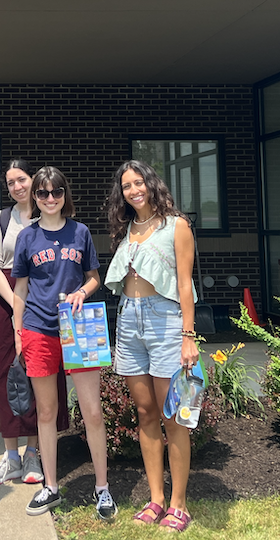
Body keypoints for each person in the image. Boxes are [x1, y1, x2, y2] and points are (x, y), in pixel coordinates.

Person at [12, 166, 115, 520]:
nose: (50, 198)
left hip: (79, 328)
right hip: (39, 329)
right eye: (43, 193)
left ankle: (102, 487)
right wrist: (18, 332)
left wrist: (81, 293)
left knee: (92, 412)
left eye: (56, 192)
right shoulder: (27, 237)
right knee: (46, 412)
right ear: (35, 198)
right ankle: (51, 486)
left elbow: (94, 278)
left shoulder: (80, 232)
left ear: (64, 194)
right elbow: (20, 289)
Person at [104, 159, 198, 532]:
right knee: (145, 413)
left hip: (165, 323)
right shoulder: (127, 228)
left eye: (139, 182)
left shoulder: (177, 225)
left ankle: (178, 504)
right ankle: (156, 498)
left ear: (151, 184)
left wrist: (188, 337)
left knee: (173, 416)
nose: (134, 190)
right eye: (127, 186)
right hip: (129, 321)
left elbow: (186, 284)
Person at [0, 159, 70, 486]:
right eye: (10, 183)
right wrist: (15, 302)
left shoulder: (50, 214)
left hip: (44, 303)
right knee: (7, 374)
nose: (17, 187)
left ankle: (34, 451)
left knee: (40, 374)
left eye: (22, 179)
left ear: (34, 180)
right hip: (9, 299)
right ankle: (11, 455)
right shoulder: (0, 218)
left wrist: (31, 300)